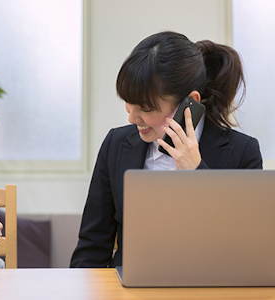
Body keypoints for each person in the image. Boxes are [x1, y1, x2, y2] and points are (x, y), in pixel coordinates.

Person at [70, 31, 262, 268]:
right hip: (130, 288)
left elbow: (244, 252)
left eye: (146, 108)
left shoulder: (243, 152)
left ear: (189, 102)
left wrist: (196, 173)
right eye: (129, 103)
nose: (131, 117)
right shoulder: (116, 145)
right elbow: (92, 247)